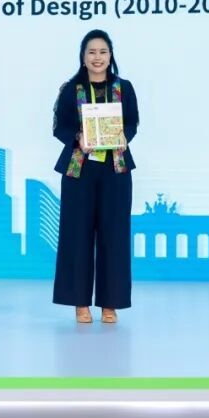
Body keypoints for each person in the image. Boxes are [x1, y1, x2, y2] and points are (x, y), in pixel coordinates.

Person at [52, 29, 139, 323]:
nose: (97, 57)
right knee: (77, 235)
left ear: (110, 56)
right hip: (80, 168)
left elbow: (132, 122)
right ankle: (80, 303)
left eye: (103, 52)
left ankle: (110, 303)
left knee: (114, 235)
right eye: (91, 52)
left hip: (116, 168)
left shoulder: (124, 88)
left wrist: (125, 136)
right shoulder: (70, 89)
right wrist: (78, 138)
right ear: (83, 57)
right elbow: (59, 127)